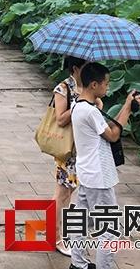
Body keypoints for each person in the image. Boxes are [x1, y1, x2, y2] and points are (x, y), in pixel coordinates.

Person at [69, 62, 140, 269]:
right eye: (106, 84)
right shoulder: (90, 112)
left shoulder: (78, 105)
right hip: (99, 178)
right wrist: (128, 107)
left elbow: (108, 127)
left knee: (80, 222)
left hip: (87, 173)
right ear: (94, 85)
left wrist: (126, 106)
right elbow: (112, 135)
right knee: (109, 230)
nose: (107, 87)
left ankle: (78, 264)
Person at [52, 56, 103, 257]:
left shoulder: (87, 89)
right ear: (75, 68)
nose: (89, 70)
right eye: (86, 67)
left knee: (68, 194)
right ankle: (56, 238)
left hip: (84, 149)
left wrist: (95, 104)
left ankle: (58, 234)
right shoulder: (63, 88)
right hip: (68, 151)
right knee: (62, 194)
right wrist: (79, 105)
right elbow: (60, 119)